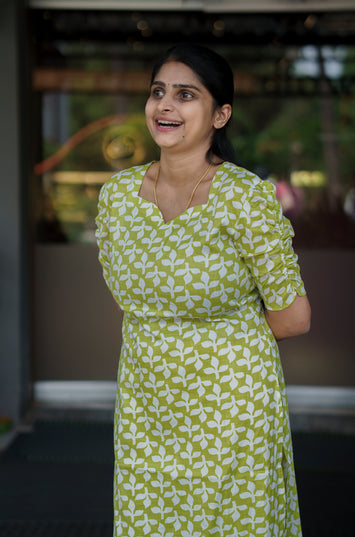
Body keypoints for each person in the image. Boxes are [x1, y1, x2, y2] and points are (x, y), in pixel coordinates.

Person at [96, 43, 311, 537]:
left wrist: (214, 344)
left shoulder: (246, 197)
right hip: (145, 407)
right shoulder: (118, 197)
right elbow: (132, 300)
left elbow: (293, 317)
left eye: (186, 95)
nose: (165, 105)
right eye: (158, 92)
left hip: (231, 407)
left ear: (221, 114)